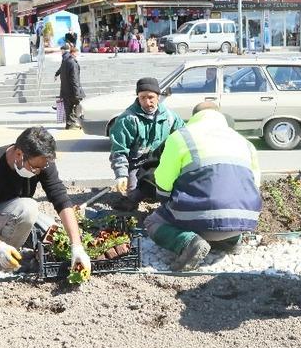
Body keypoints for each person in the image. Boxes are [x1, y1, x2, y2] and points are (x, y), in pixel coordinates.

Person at [145, 102, 261, 271]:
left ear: (194, 117)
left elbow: (163, 180)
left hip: (202, 219)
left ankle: (189, 243)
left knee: (153, 222)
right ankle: (231, 241)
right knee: (227, 208)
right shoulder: (244, 142)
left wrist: (164, 198)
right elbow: (255, 183)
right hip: (245, 219)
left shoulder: (181, 137)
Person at [0, 127, 91, 274]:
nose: (39, 172)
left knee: (56, 236)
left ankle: (19, 247)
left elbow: (60, 197)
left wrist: (77, 246)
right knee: (27, 207)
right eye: (35, 167)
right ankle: (2, 262)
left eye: (42, 167)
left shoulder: (42, 160)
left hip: (15, 213)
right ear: (19, 154)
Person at [109, 77, 185, 209]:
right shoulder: (127, 119)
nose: (147, 102)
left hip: (160, 162)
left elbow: (184, 138)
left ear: (158, 97)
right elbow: (119, 150)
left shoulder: (170, 117)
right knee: (132, 197)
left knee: (169, 191)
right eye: (142, 97)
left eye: (151, 97)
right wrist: (121, 175)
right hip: (136, 165)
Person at [55, 44, 85, 130]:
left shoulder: (65, 61)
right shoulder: (72, 63)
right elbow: (74, 79)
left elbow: (62, 73)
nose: (78, 55)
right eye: (77, 53)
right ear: (74, 53)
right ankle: (72, 123)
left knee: (68, 108)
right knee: (76, 107)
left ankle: (69, 124)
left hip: (65, 90)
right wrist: (77, 93)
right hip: (72, 90)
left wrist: (56, 74)